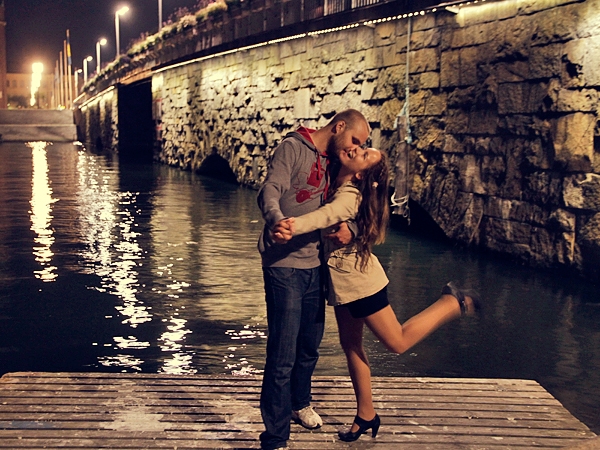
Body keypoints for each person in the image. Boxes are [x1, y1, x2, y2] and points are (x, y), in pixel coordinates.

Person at [277, 146, 481, 443]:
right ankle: (366, 413)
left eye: (363, 154)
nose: (356, 149)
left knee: (397, 341)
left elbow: (329, 214)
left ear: (360, 174)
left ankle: (452, 302)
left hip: (359, 281)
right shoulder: (335, 180)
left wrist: (290, 226)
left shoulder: (349, 194)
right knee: (351, 345)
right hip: (342, 285)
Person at [257, 109, 371, 450]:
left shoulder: (336, 161)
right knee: (283, 353)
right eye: (354, 140)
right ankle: (275, 438)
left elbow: (343, 207)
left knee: (309, 345)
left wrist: (349, 230)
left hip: (316, 264)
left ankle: (299, 403)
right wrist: (276, 219)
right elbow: (269, 190)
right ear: (338, 127)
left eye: (361, 145)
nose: (355, 149)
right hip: (284, 264)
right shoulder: (293, 148)